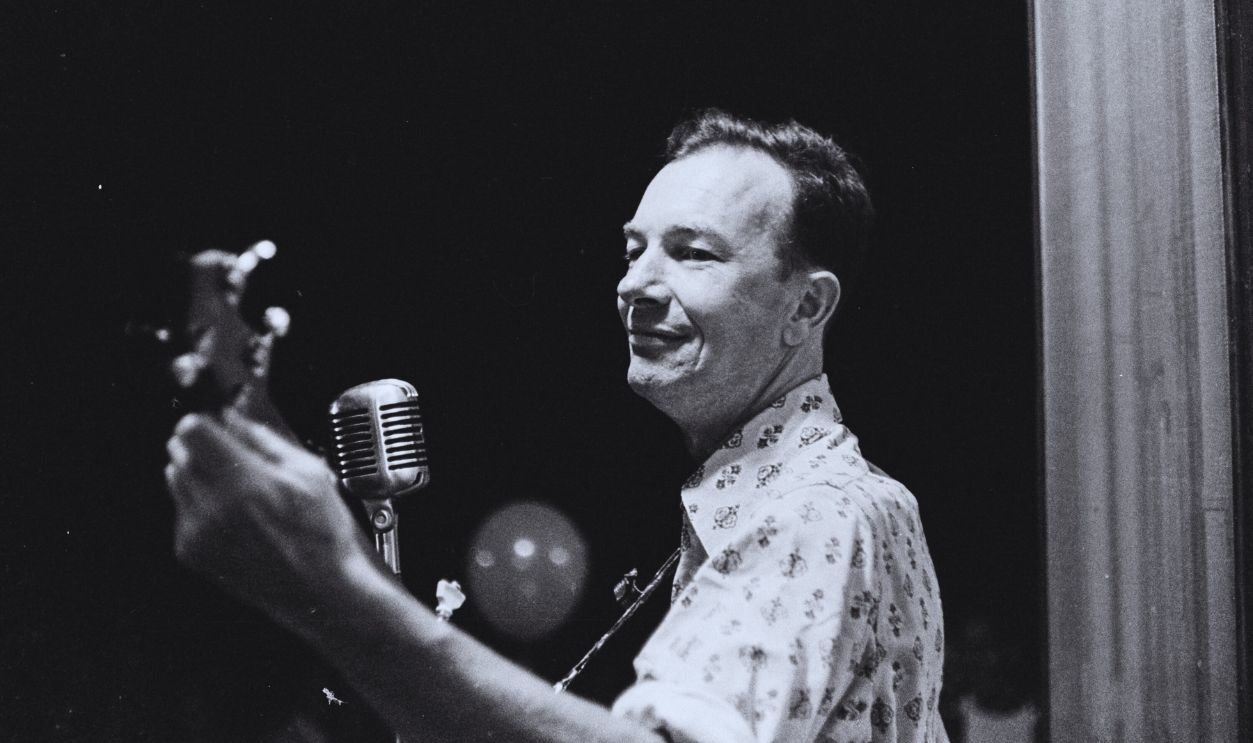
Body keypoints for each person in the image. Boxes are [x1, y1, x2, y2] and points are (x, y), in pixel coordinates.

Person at [165, 109, 949, 742]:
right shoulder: (760, 505)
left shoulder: (816, 510)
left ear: (805, 306)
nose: (636, 283)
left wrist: (334, 590)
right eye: (633, 249)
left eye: (693, 253)